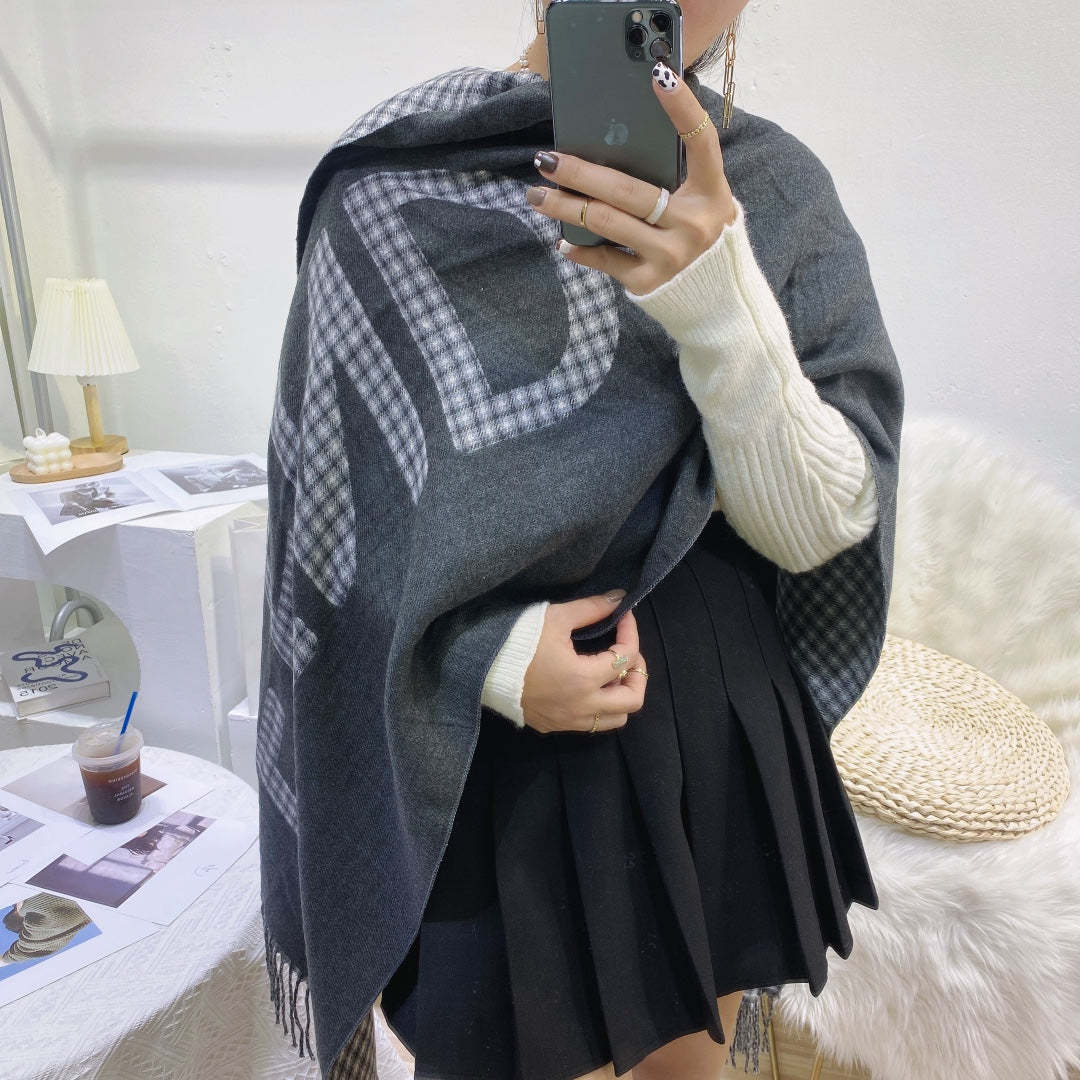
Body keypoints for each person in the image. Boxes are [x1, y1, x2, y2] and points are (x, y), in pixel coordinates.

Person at [373, 3, 896, 1079]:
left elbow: (817, 531)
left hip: (706, 711)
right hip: (482, 740)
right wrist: (487, 660)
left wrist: (717, 299)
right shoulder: (395, 178)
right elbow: (348, 522)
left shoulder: (773, 186)